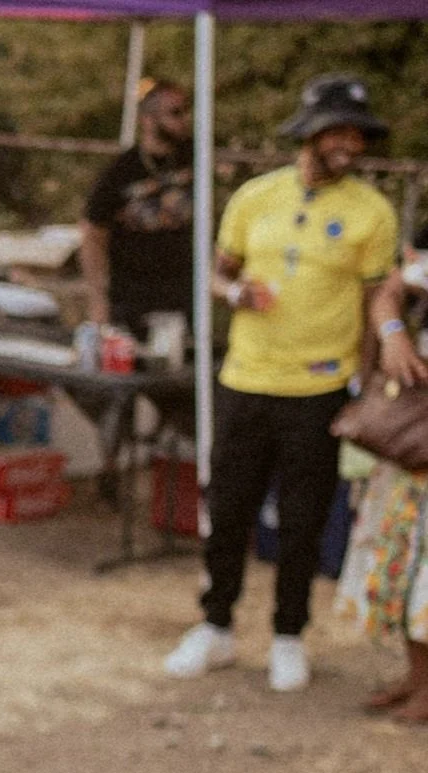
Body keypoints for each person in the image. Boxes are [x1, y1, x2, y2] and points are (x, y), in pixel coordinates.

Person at [165, 73, 398, 694]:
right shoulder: (255, 197)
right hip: (245, 377)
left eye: (358, 132)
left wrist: (367, 382)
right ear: (310, 134)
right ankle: (215, 626)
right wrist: (236, 292)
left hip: (320, 389)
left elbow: (377, 305)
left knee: (302, 521)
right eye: (338, 130)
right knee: (230, 508)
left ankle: (288, 635)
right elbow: (217, 276)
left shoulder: (372, 212)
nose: (350, 142)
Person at [335, 244, 428, 720]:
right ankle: (418, 675)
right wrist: (393, 336)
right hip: (418, 425)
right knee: (404, 551)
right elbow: (387, 294)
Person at [80, 80, 194, 345]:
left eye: (185, 111)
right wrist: (98, 300)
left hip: (182, 292)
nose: (184, 119)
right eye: (174, 112)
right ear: (148, 119)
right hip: (133, 296)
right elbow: (92, 231)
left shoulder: (194, 157)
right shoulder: (123, 170)